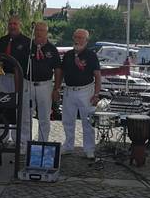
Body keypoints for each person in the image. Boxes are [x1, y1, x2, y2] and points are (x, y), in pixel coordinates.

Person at [56, 29, 101, 160]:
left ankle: (89, 149)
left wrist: (96, 94)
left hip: (86, 91)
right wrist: (57, 89)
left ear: (86, 40)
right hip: (69, 91)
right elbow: (61, 72)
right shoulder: (68, 55)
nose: (78, 40)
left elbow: (97, 75)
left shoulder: (91, 55)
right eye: (76, 37)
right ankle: (68, 146)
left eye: (81, 38)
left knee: (87, 121)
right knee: (67, 120)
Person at [27, 22, 62, 142]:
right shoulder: (28, 46)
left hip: (45, 86)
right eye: (37, 30)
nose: (39, 33)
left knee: (44, 116)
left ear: (46, 32)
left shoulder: (52, 49)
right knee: (26, 116)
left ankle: (42, 143)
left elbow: (58, 69)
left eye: (42, 30)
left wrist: (56, 88)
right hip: (28, 84)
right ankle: (25, 143)